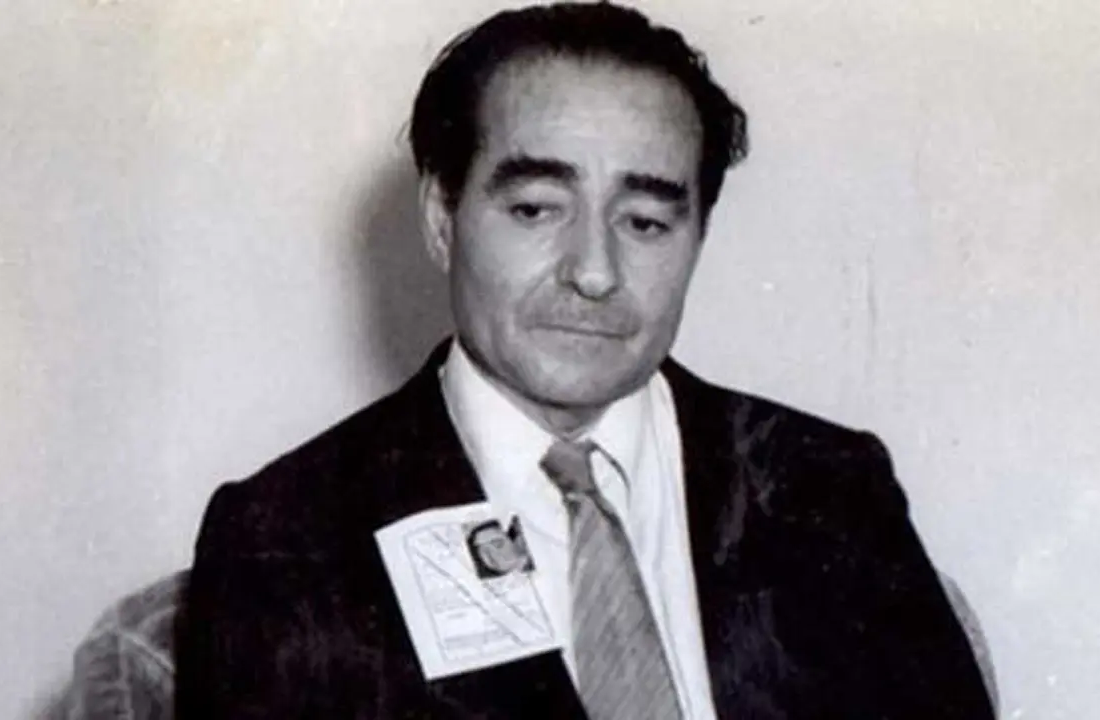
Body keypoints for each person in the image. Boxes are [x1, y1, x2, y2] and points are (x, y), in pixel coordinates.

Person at [173, 3, 996, 718]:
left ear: (698, 238)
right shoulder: (288, 536)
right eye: (536, 209)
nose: (594, 272)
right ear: (442, 218)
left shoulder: (827, 486)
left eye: (646, 222)